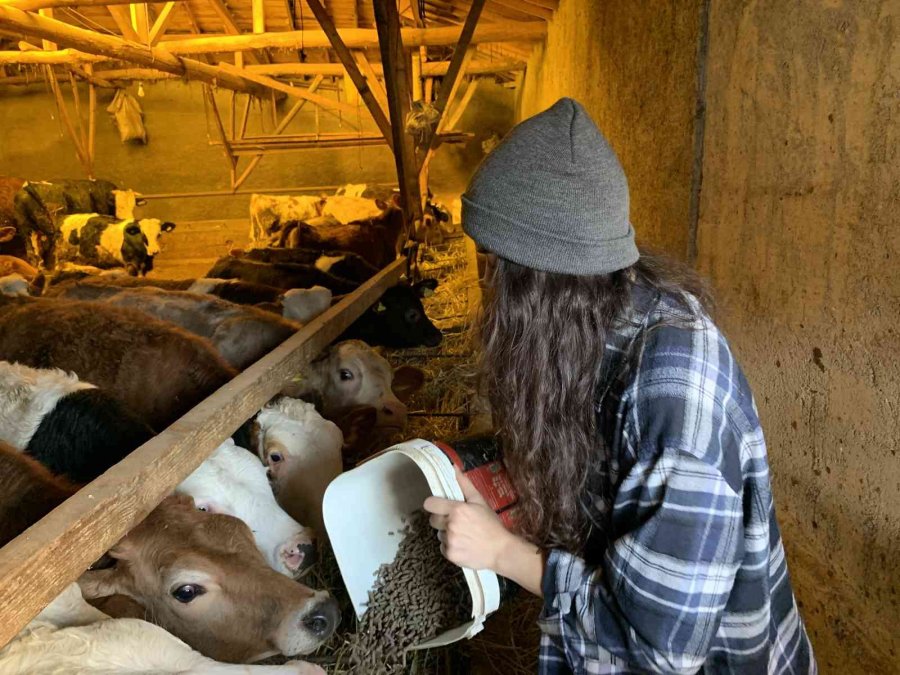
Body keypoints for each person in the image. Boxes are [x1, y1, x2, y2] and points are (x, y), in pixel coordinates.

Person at [424, 98, 816, 674]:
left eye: (491, 266)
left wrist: (504, 552)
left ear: (536, 284)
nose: (486, 287)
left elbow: (659, 647)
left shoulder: (675, 393)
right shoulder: (603, 322)